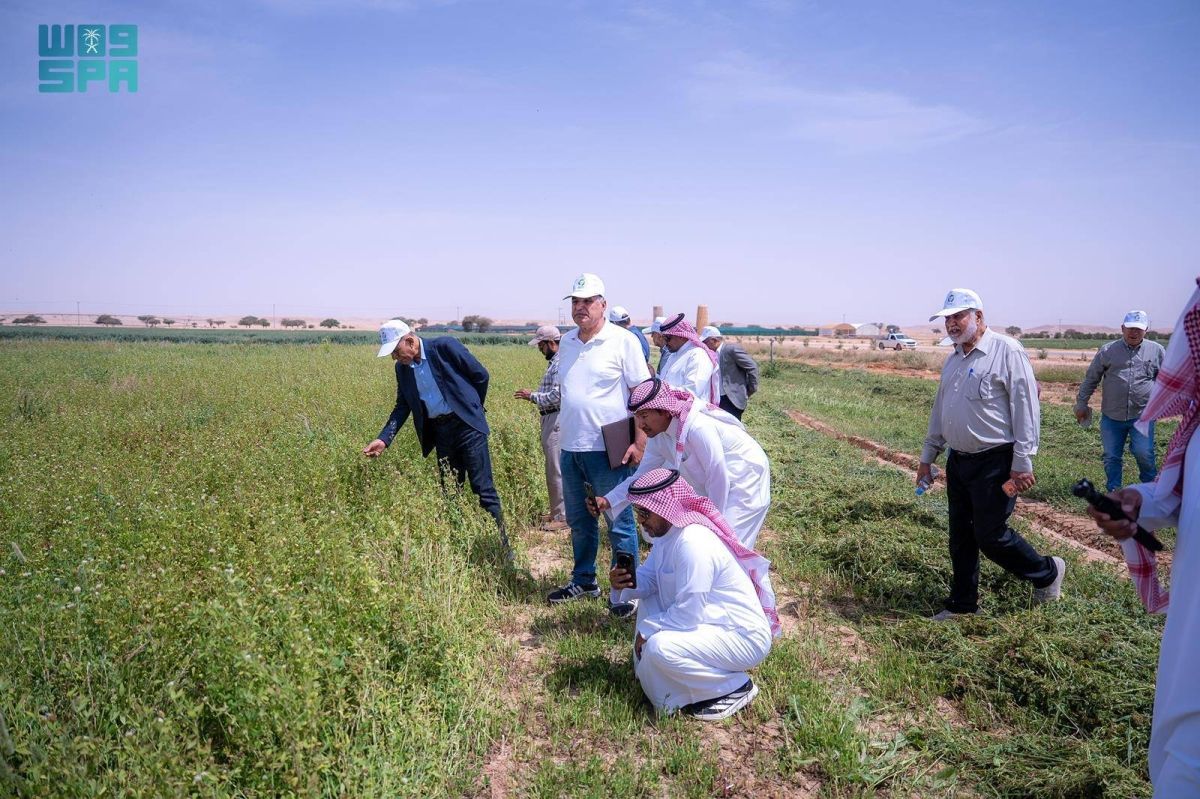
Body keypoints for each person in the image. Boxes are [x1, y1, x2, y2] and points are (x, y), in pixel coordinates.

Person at [1086, 278, 1199, 798]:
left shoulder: (1151, 354)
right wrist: (1138, 501)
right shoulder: (1197, 433)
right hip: (1190, 656)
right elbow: (1182, 497)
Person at [917, 288, 1065, 620]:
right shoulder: (953, 359)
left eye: (958, 316)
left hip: (995, 461)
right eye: (947, 319)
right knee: (961, 537)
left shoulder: (1007, 351)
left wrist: (1022, 461)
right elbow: (941, 411)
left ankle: (1048, 572)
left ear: (979, 316)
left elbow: (1026, 408)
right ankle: (962, 605)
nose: (952, 324)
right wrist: (928, 457)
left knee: (990, 535)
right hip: (959, 461)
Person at [609, 468, 780, 719]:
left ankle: (733, 687)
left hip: (741, 636)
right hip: (709, 623)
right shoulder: (667, 536)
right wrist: (621, 583)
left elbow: (687, 614)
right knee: (650, 613)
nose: (640, 521)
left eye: (645, 512)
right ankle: (678, 688)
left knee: (659, 649)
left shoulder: (692, 542)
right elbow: (650, 580)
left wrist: (647, 631)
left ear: (664, 507)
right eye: (638, 512)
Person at [548, 273, 651, 614]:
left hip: (611, 446)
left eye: (588, 301)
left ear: (603, 304)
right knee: (580, 521)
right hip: (571, 446)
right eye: (576, 302)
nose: (581, 307)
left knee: (618, 522)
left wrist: (640, 442)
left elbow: (642, 394)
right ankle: (584, 580)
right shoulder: (567, 342)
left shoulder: (623, 341)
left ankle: (626, 592)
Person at [363, 319, 510, 558]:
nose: (394, 358)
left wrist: (471, 410)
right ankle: (460, 548)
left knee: (483, 489)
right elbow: (402, 406)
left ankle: (503, 547)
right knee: (450, 491)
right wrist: (384, 439)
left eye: (396, 351)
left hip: (467, 428)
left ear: (410, 341)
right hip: (441, 433)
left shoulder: (445, 347)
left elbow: (481, 375)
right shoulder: (402, 369)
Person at [590, 377, 771, 548]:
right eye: (637, 417)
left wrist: (714, 522)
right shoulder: (658, 436)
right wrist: (608, 500)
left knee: (728, 547)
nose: (640, 425)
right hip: (713, 486)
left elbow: (718, 477)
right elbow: (640, 477)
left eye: (644, 416)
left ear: (664, 411)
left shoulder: (697, 428)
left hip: (745, 480)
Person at [1074, 310, 1166, 491]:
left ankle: (1151, 492)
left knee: (1144, 454)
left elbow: (1167, 381)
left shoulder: (1157, 351)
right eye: (1130, 328)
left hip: (1143, 416)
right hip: (1112, 416)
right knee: (1111, 456)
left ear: (1146, 330)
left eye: (1139, 329)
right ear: (1122, 328)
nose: (1134, 333)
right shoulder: (1108, 351)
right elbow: (1091, 378)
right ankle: (1114, 492)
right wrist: (1082, 403)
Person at [514, 324, 566, 530]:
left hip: (555, 418)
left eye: (541, 345)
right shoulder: (556, 362)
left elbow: (557, 396)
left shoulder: (560, 363)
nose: (539, 349)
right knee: (553, 467)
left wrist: (532, 396)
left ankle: (562, 517)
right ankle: (556, 511)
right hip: (550, 417)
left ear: (551, 343)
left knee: (556, 468)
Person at [658, 313, 720, 403]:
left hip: (692, 410)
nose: (665, 343)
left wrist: (661, 391)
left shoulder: (698, 355)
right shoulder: (673, 355)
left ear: (682, 337)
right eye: (663, 338)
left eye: (667, 338)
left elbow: (692, 392)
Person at [702, 325, 760, 420]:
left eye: (705, 342)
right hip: (718, 398)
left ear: (713, 340)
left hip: (731, 399)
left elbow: (752, 367)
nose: (704, 345)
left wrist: (750, 389)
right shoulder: (712, 353)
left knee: (732, 426)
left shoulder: (730, 349)